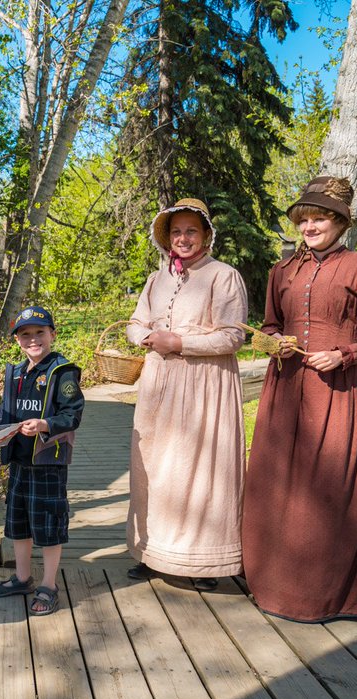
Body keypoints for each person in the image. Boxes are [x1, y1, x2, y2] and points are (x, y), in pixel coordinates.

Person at [242, 176, 357, 622]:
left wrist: (345, 354)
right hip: (285, 389)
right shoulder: (282, 270)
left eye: (320, 218)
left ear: (340, 222)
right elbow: (270, 324)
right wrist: (274, 343)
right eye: (304, 219)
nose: (309, 226)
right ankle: (277, 585)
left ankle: (341, 594)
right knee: (282, 481)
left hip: (340, 391)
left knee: (334, 485)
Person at [125, 198, 248, 592]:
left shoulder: (223, 275)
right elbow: (135, 321)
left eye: (191, 231)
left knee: (198, 471)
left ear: (207, 235)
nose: (183, 238)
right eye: (176, 231)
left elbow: (233, 335)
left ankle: (203, 561)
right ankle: (153, 552)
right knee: (153, 468)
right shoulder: (155, 278)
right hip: (159, 384)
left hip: (203, 385)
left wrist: (178, 341)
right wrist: (144, 336)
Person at [0, 306, 84, 615]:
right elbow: (8, 415)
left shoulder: (63, 371)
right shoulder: (16, 373)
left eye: (40, 333)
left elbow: (72, 414)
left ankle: (49, 584)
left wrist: (45, 425)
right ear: (17, 340)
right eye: (25, 334)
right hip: (18, 460)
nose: (33, 340)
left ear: (53, 335)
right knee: (18, 523)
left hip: (48, 461)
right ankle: (22, 577)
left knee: (48, 523)